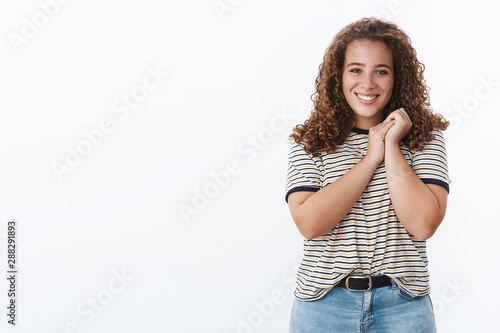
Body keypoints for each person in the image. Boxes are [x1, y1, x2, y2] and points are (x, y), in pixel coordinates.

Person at [285, 17, 450, 332]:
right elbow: (309, 224)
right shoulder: (312, 140)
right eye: (356, 69)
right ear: (339, 75)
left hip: (403, 307)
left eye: (381, 71)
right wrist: (371, 157)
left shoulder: (425, 137)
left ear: (397, 77)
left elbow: (423, 224)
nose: (368, 83)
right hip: (324, 307)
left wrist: (391, 145)